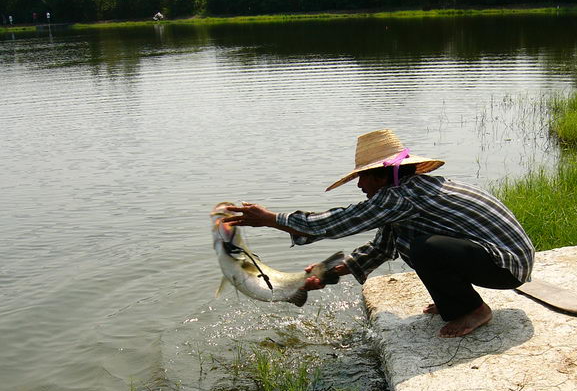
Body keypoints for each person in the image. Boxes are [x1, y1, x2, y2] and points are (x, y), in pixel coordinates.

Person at [223, 129, 535, 338]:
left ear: (385, 174)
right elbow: (383, 247)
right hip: (499, 259)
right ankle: (455, 299)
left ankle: (473, 310)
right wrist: (325, 273)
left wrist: (270, 219)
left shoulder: (401, 196)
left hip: (507, 265)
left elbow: (334, 223)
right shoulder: (405, 196)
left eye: (363, 178)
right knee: (415, 244)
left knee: (427, 248)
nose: (360, 186)